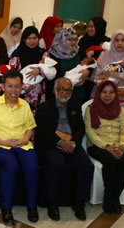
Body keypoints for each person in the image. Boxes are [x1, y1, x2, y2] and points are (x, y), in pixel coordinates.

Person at [0, 69, 40, 225]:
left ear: (21, 87)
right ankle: (6, 209)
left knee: (32, 167)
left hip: (22, 145)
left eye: (17, 86)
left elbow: (30, 128)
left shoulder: (25, 105)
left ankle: (32, 206)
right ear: (3, 87)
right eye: (10, 86)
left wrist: (25, 139)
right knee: (11, 166)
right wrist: (3, 142)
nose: (13, 90)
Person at [35, 77, 93, 220]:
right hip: (52, 145)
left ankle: (79, 203)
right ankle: (52, 203)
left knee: (86, 165)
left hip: (72, 144)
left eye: (68, 90)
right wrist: (60, 142)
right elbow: (43, 131)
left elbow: (80, 129)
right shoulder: (44, 108)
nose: (65, 92)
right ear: (55, 90)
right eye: (61, 89)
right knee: (56, 164)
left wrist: (73, 142)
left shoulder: (75, 106)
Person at [84, 80, 124, 214]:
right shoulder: (91, 110)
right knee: (110, 162)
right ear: (99, 93)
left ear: (116, 94)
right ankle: (108, 196)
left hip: (118, 145)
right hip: (97, 145)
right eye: (104, 92)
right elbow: (90, 133)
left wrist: (122, 147)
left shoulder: (121, 110)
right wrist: (108, 148)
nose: (107, 95)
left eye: (111, 92)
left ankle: (115, 198)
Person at [9, 26, 50, 112]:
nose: (32, 41)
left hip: (39, 95)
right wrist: (24, 86)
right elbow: (12, 74)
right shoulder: (17, 53)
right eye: (29, 38)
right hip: (21, 92)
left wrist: (40, 70)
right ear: (24, 40)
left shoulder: (43, 53)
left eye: (35, 38)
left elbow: (51, 71)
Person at [49, 27, 91, 104]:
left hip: (78, 93)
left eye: (75, 39)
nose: (73, 42)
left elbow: (90, 65)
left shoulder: (79, 51)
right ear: (62, 39)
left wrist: (87, 71)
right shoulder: (53, 54)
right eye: (70, 39)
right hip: (60, 94)